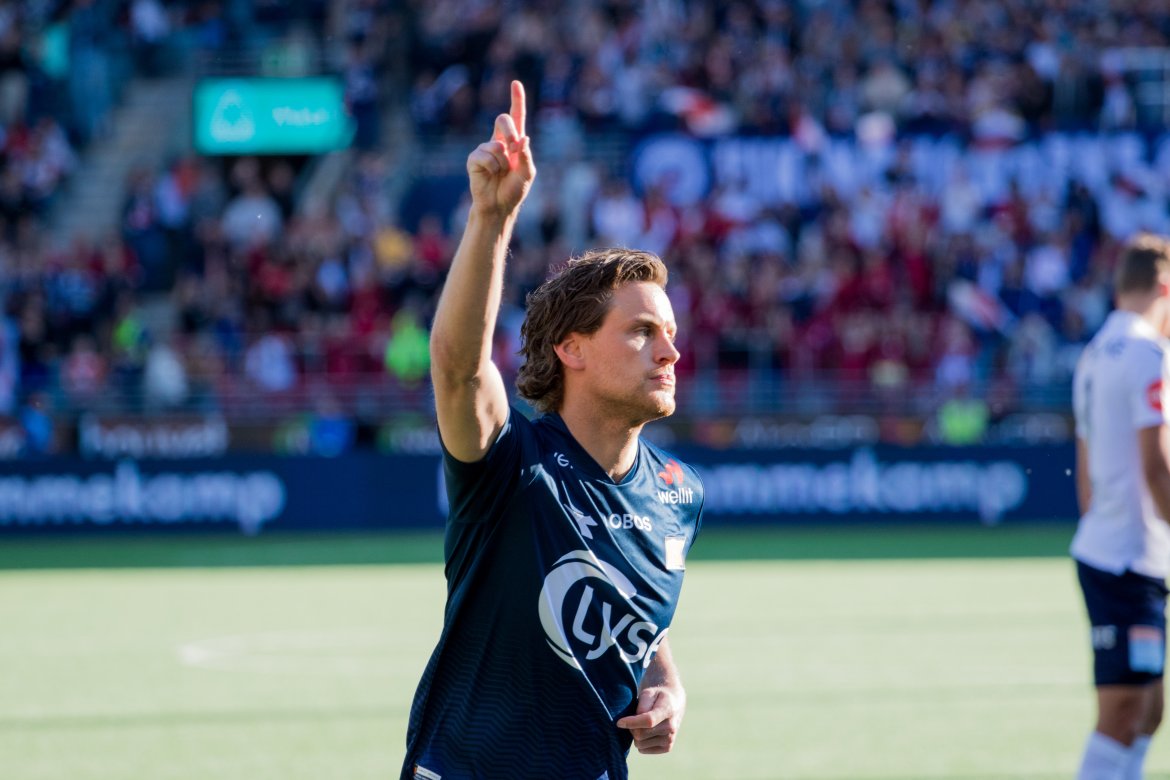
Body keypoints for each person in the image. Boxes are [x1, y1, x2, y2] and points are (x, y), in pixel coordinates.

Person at [402, 81, 704, 780]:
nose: (670, 352)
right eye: (641, 333)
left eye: (671, 334)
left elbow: (641, 626)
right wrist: (491, 220)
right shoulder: (511, 465)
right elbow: (455, 367)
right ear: (572, 349)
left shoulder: (681, 493)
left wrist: (668, 683)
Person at [1072, 233, 1170, 779]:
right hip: (1125, 563)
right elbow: (1157, 466)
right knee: (1125, 711)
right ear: (1164, 286)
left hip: (1118, 553)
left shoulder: (1092, 354)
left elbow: (1084, 470)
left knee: (1150, 709)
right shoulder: (1145, 353)